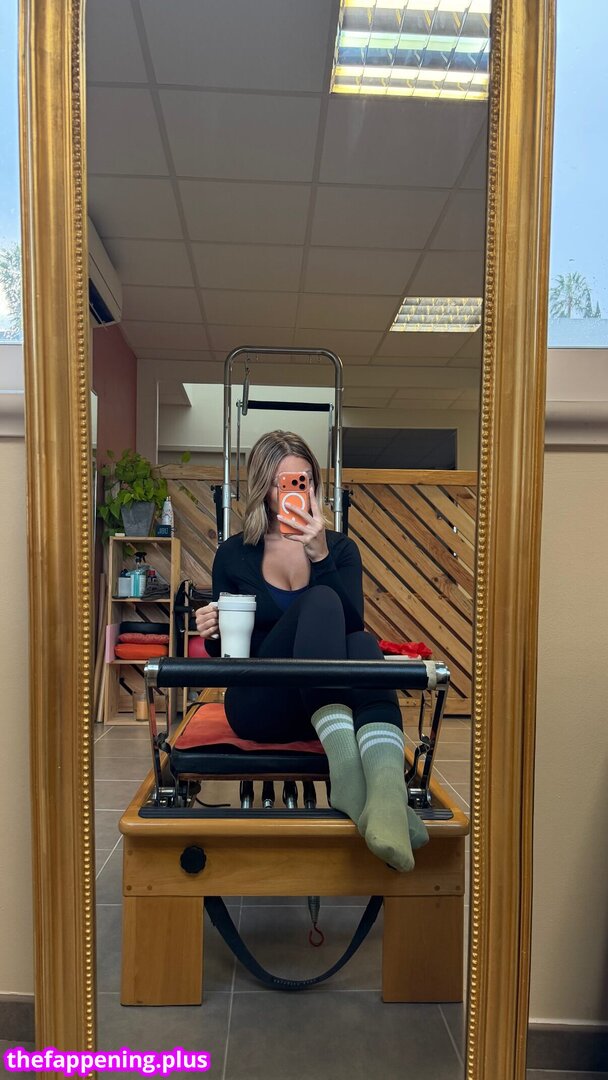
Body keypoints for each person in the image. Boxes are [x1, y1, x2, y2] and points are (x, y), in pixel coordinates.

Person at [195, 430, 428, 871]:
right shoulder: (234, 554)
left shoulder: (340, 549)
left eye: (303, 481)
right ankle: (352, 777)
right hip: (262, 704)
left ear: (315, 487)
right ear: (264, 488)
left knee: (362, 642)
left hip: (327, 709)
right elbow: (231, 657)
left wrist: (321, 558)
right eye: (283, 483)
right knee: (320, 601)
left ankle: (385, 797)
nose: (293, 493)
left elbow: (352, 631)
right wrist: (211, 632)